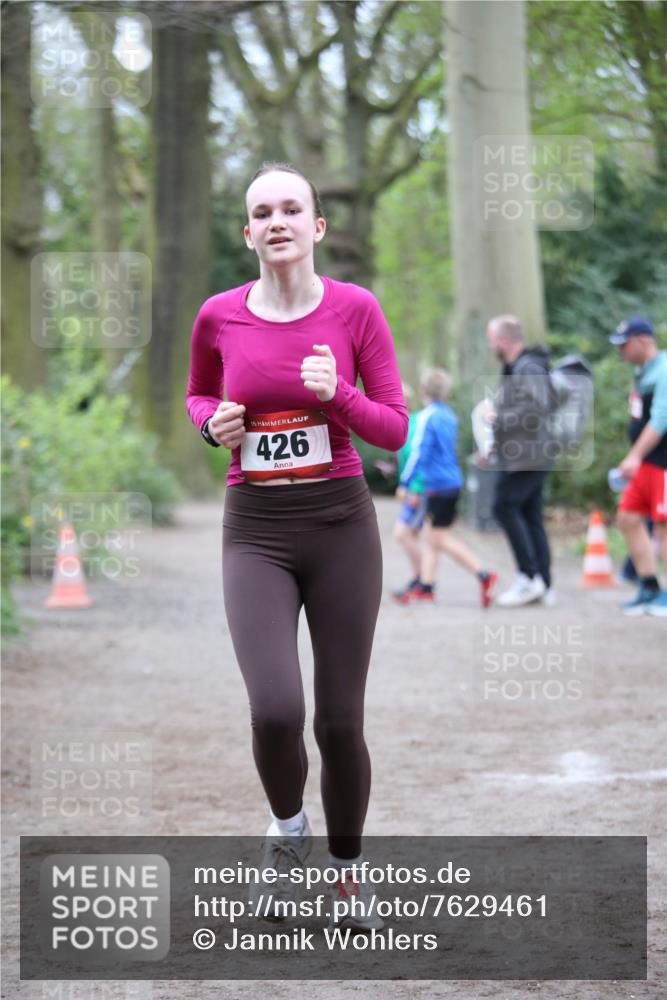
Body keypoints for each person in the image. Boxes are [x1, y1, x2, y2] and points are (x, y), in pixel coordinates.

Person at [186, 162, 408, 928]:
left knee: (338, 722)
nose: (276, 221)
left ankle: (348, 875)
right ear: (246, 232)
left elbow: (394, 429)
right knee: (276, 709)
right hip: (255, 532)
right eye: (261, 212)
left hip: (342, 525)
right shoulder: (218, 315)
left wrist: (336, 396)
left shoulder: (354, 311)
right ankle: (286, 835)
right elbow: (197, 392)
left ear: (315, 226)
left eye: (291, 208)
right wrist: (208, 422)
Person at [394, 368, 497, 607]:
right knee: (432, 538)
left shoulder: (427, 417)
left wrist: (405, 483)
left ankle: (484, 574)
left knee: (439, 539)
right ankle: (426, 587)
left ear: (423, 392)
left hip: (437, 485)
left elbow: (419, 452)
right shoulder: (449, 415)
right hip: (450, 482)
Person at [485, 315, 556, 607]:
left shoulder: (528, 368)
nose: (491, 346)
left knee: (504, 506)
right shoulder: (519, 368)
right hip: (524, 453)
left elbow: (537, 409)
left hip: (528, 456)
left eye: (491, 340)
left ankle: (529, 578)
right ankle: (543, 583)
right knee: (530, 515)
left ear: (504, 340)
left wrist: (500, 419)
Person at [609, 315, 667, 616]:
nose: (621, 351)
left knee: (664, 527)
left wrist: (634, 455)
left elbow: (661, 419)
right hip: (646, 463)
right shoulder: (641, 372)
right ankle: (649, 586)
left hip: (662, 462)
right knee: (628, 519)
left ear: (643, 341)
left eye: (625, 344)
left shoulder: (664, 370)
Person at [391, 383, 428, 599]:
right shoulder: (402, 424)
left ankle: (424, 579)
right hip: (414, 487)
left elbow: (420, 459)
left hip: (419, 489)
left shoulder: (415, 424)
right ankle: (418, 580)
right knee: (413, 535)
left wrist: (412, 488)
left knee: (402, 534)